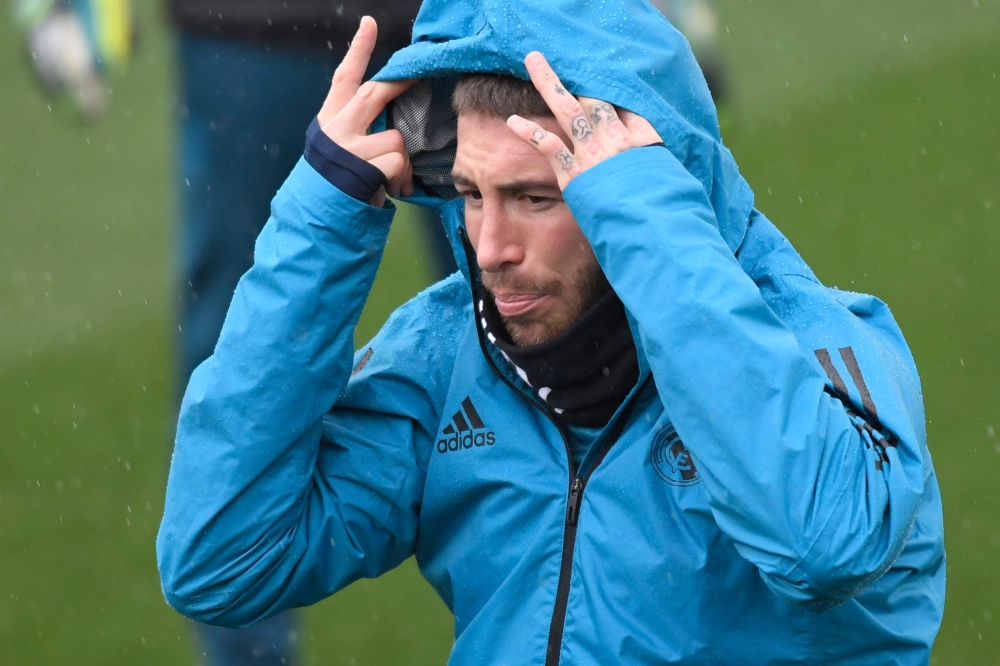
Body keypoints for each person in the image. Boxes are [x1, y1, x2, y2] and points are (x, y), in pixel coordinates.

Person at [157, 1, 946, 664]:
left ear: (644, 181)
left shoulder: (828, 344)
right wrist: (321, 223)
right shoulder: (444, 360)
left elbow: (825, 544)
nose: (489, 247)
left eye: (535, 197)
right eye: (469, 192)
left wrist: (644, 223)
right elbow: (219, 564)